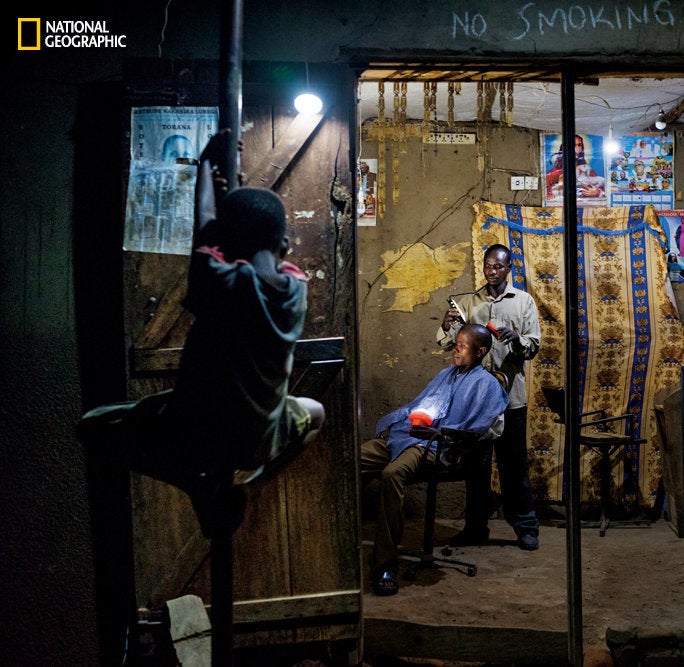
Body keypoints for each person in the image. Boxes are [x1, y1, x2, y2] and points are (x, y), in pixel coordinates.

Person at [80, 128, 326, 535]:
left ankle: (192, 482)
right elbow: (229, 236)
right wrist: (234, 207)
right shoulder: (295, 290)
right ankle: (253, 485)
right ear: (284, 242)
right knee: (314, 413)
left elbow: (207, 225)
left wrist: (205, 166)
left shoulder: (222, 284)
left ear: (228, 244)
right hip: (260, 440)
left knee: (93, 425)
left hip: (199, 437)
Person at [361, 323, 509, 596]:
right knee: (353, 460)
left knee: (392, 475)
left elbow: (474, 430)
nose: (455, 348)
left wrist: (436, 431)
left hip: (438, 448)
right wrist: (405, 421)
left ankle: (384, 566)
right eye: (456, 343)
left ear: (480, 352)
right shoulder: (446, 375)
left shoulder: (487, 385)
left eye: (462, 346)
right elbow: (420, 405)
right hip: (408, 437)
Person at [437, 244, 542, 551]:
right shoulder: (469, 303)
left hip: (510, 400)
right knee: (476, 469)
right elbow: (448, 343)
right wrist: (446, 328)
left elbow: (533, 347)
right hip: (475, 403)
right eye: (487, 266)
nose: (492, 272)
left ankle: (525, 527)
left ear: (509, 268)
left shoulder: (523, 302)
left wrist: (516, 339)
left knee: (514, 467)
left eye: (498, 267)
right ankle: (474, 529)